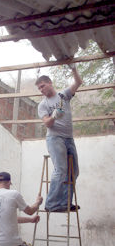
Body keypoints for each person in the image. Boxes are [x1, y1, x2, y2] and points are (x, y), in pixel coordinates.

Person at [35, 65, 83, 212]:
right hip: (55, 138)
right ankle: (51, 203)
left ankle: (65, 203)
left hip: (69, 138)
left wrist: (73, 69)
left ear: (50, 82)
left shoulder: (63, 96)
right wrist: (54, 116)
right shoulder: (43, 104)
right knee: (61, 169)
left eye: (42, 86)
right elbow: (47, 123)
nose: (41, 90)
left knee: (74, 171)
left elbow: (78, 83)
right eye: (39, 89)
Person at [0, 172, 43, 246]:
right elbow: (30, 211)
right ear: (9, 182)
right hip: (10, 245)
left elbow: (9, 218)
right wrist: (38, 202)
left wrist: (30, 220)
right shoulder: (13, 194)